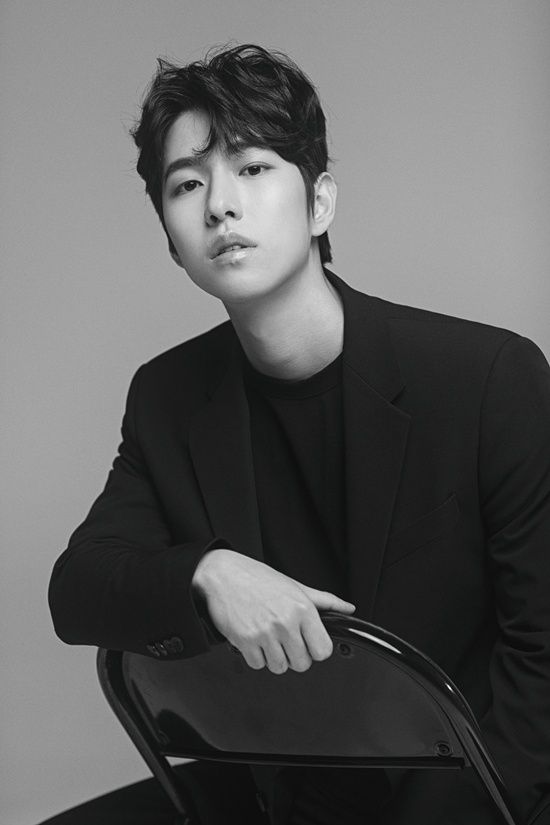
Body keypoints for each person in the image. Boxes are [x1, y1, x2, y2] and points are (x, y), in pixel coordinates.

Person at [46, 44, 550, 825]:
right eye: (187, 184)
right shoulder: (166, 399)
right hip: (285, 791)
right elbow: (78, 589)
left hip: (470, 789)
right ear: (173, 242)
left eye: (252, 168)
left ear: (319, 204)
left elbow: (543, 657)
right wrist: (210, 573)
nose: (220, 205)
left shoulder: (489, 378)